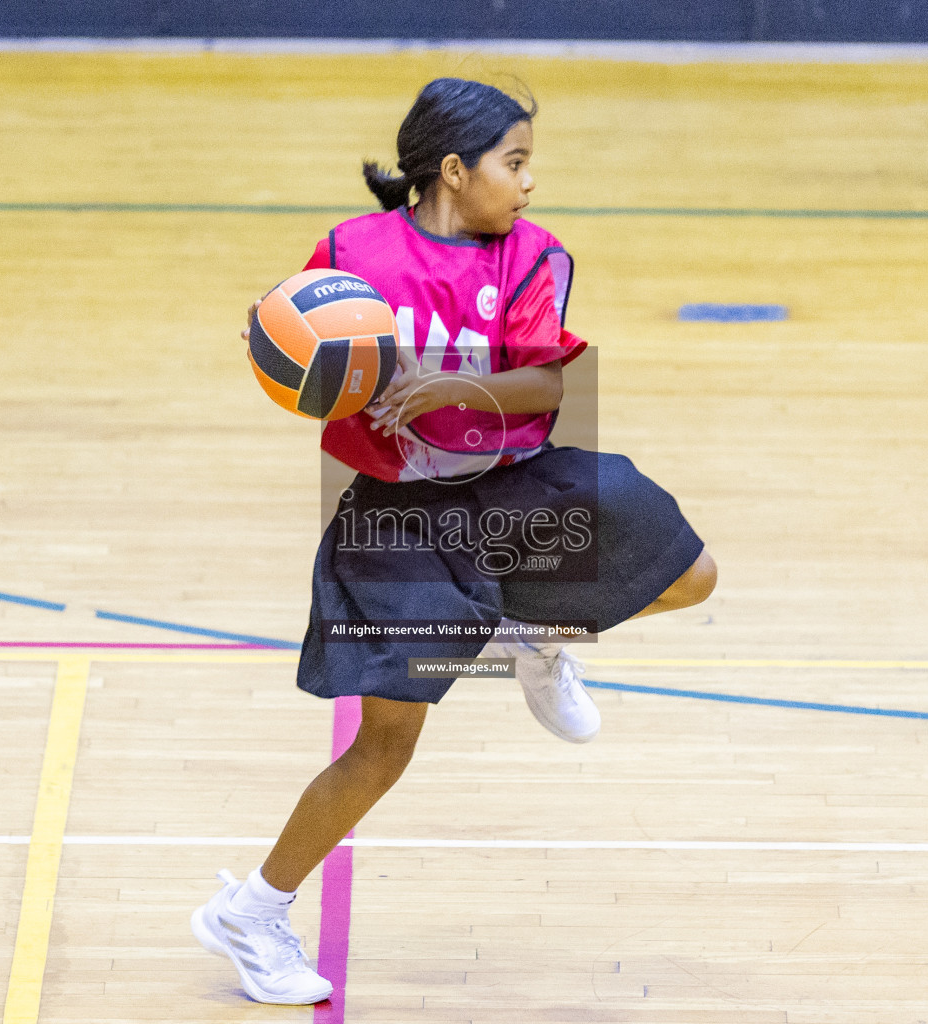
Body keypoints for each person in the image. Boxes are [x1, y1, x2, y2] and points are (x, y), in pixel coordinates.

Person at [192, 77, 717, 1005]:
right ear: (450, 169)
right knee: (383, 749)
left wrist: (447, 388)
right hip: (398, 520)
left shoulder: (532, 256)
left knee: (692, 575)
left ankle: (539, 630)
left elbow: (550, 384)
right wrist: (276, 340)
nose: (528, 183)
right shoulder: (353, 251)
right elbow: (299, 330)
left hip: (514, 485)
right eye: (514, 163)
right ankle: (252, 913)